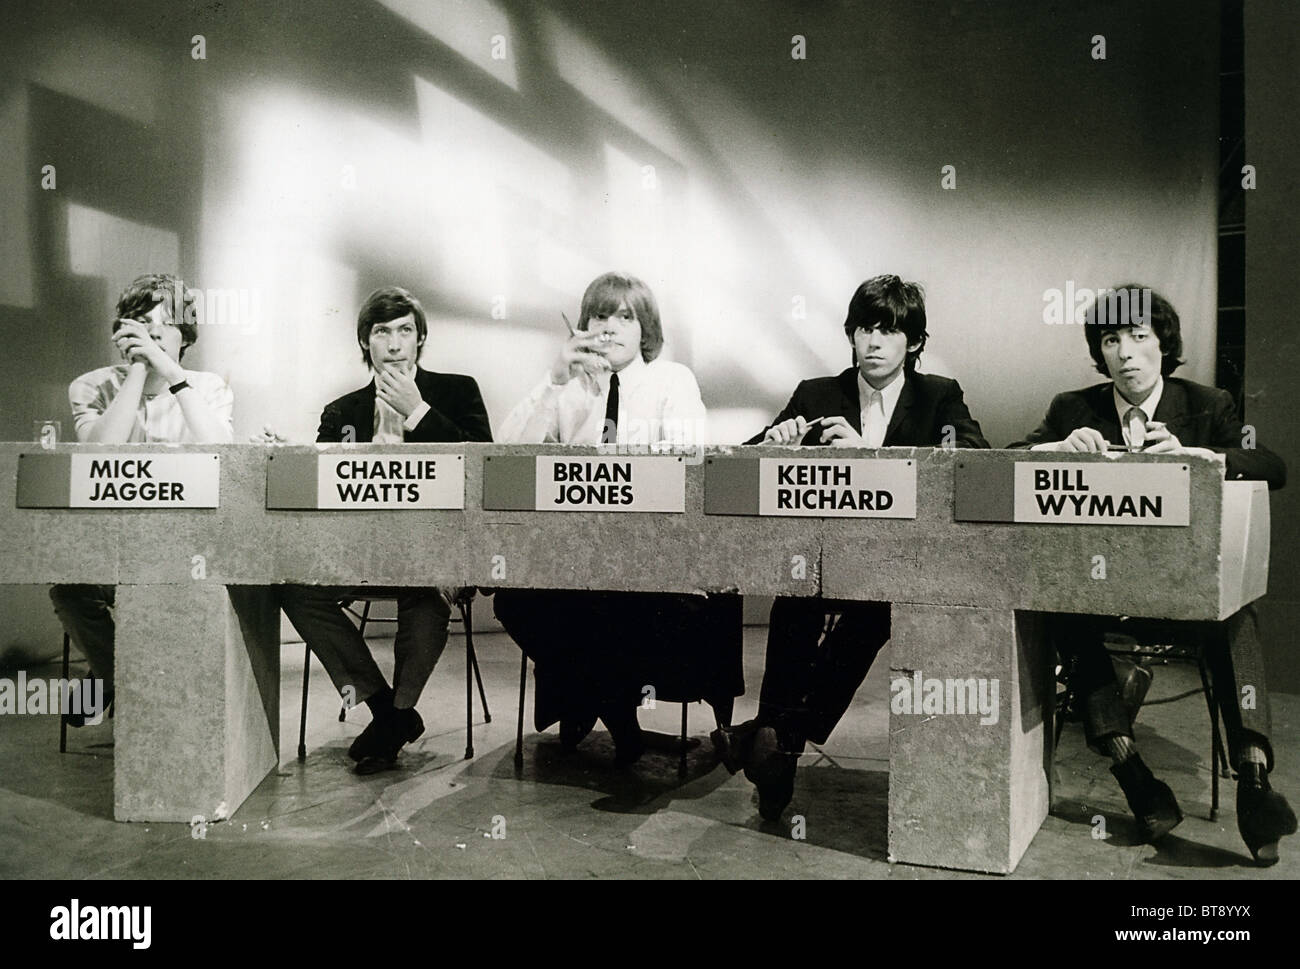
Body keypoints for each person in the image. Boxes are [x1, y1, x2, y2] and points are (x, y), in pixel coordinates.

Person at [1010, 284, 1295, 865]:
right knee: (1061, 608)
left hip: (1186, 596)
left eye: (1139, 337)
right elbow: (1007, 456)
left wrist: (1201, 456)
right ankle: (1133, 772)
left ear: (1164, 343)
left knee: (1236, 613)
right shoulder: (1074, 407)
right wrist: (1059, 448)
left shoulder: (1207, 404)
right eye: (1111, 340)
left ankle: (1253, 777)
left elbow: (1272, 466)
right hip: (1102, 591)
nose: (1126, 353)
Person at [714, 274, 989, 820]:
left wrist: (871, 456)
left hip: (902, 565)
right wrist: (772, 445)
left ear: (913, 341)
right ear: (851, 334)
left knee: (870, 615)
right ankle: (779, 748)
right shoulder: (819, 392)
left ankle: (771, 738)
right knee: (793, 606)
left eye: (890, 330)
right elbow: (739, 463)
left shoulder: (939, 396)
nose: (875, 341)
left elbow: (975, 464)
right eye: (865, 328)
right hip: (822, 559)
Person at [494, 271, 739, 766]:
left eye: (624, 317)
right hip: (576, 561)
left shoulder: (672, 379)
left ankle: (604, 709)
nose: (609, 328)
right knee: (515, 599)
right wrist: (556, 379)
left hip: (654, 556)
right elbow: (504, 451)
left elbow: (690, 463)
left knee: (617, 606)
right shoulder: (569, 391)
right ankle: (615, 714)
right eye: (599, 316)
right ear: (582, 326)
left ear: (644, 327)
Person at [271, 286, 492, 774]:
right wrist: (296, 460)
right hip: (360, 552)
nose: (393, 343)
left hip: (432, 551)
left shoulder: (458, 391)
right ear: (365, 343)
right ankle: (386, 711)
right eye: (381, 332)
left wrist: (417, 411)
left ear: (420, 340)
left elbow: (481, 470)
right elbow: (323, 493)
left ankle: (394, 716)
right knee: (294, 590)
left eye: (404, 331)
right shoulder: (342, 412)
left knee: (428, 590)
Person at [50, 273, 235, 726]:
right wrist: (138, 370)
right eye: (140, 323)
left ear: (185, 335)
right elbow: (98, 456)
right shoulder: (91, 386)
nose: (152, 333)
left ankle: (107, 680)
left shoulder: (209, 388)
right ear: (121, 332)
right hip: (114, 550)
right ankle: (127, 681)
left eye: (164, 324)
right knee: (68, 589)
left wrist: (171, 375)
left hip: (189, 554)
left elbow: (226, 454)